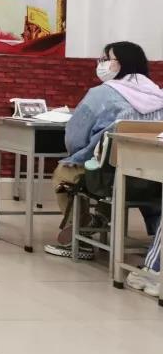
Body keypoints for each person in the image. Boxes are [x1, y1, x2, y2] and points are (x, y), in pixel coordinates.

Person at [44, 41, 163, 258]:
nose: (102, 63)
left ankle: (81, 236)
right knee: (116, 171)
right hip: (152, 179)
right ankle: (151, 240)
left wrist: (79, 154)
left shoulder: (101, 94)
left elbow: (75, 138)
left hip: (107, 179)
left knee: (66, 172)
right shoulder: (158, 95)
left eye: (106, 59)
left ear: (123, 63)